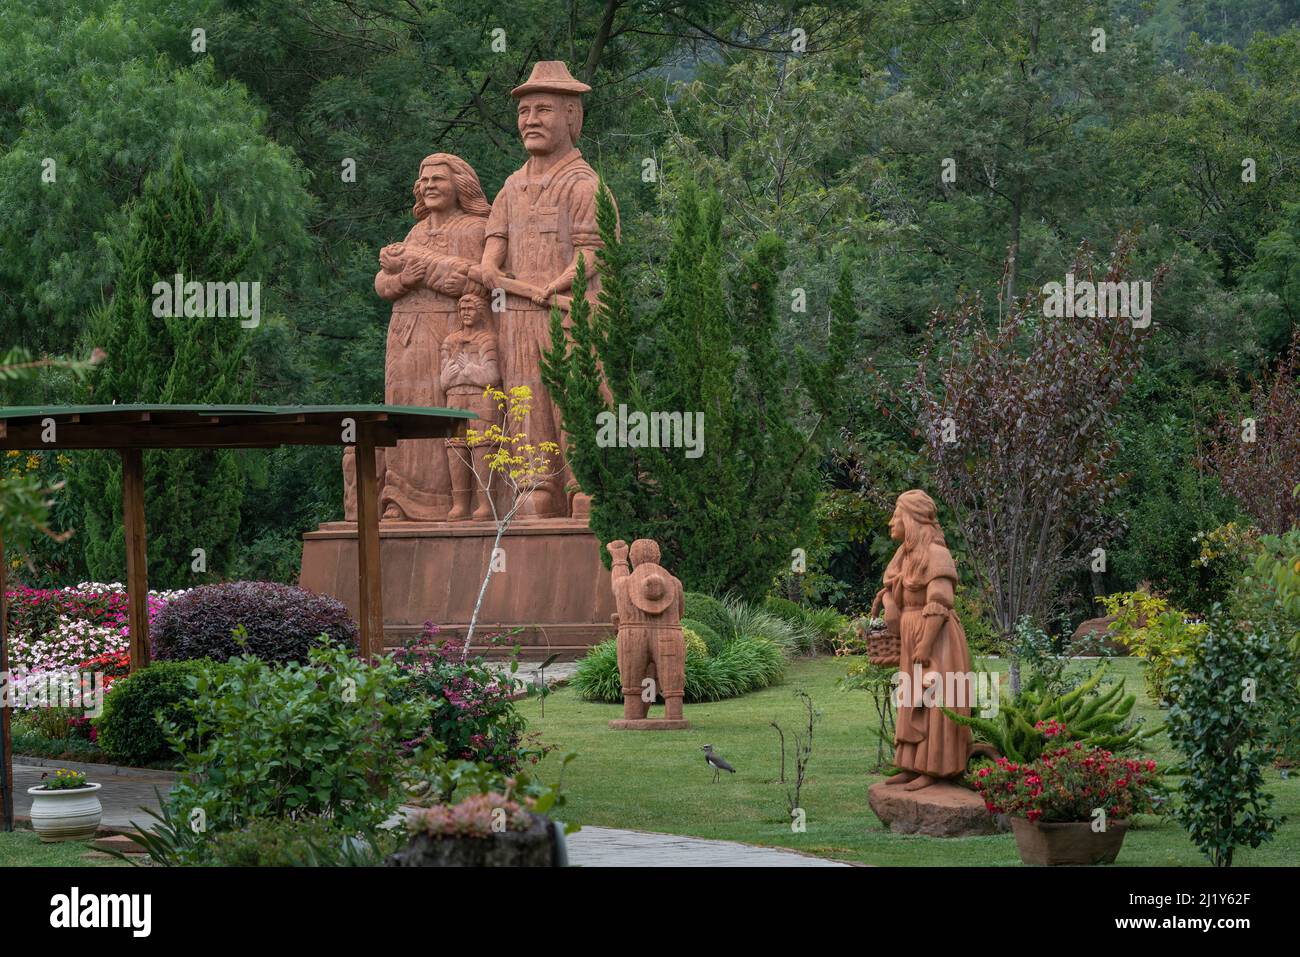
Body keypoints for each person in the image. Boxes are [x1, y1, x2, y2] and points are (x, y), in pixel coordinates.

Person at [472, 61, 616, 519]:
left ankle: (586, 483)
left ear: (572, 116)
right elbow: (495, 240)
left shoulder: (583, 184)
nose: (530, 120)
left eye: (543, 110)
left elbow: (595, 252)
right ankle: (535, 484)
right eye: (524, 111)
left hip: (571, 313)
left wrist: (554, 284)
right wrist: (491, 268)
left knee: (575, 396)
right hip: (518, 316)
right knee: (524, 397)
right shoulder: (512, 186)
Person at [345, 152, 490, 522]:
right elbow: (382, 283)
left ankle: (445, 501)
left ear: (459, 184)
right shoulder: (416, 231)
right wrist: (405, 279)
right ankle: (398, 498)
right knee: (403, 404)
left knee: (439, 409)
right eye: (424, 181)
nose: (428, 187)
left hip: (445, 331)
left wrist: (422, 270)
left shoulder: (474, 229)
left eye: (437, 179)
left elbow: (475, 282)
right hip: (404, 333)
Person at [877, 489, 974, 791]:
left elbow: (941, 601)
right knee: (911, 702)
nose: (891, 521)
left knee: (935, 700)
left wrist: (925, 643)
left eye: (896, 514)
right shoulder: (905, 557)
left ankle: (936, 768)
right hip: (911, 634)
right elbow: (897, 596)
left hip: (936, 638)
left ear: (911, 518)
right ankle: (910, 765)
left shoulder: (936, 554)